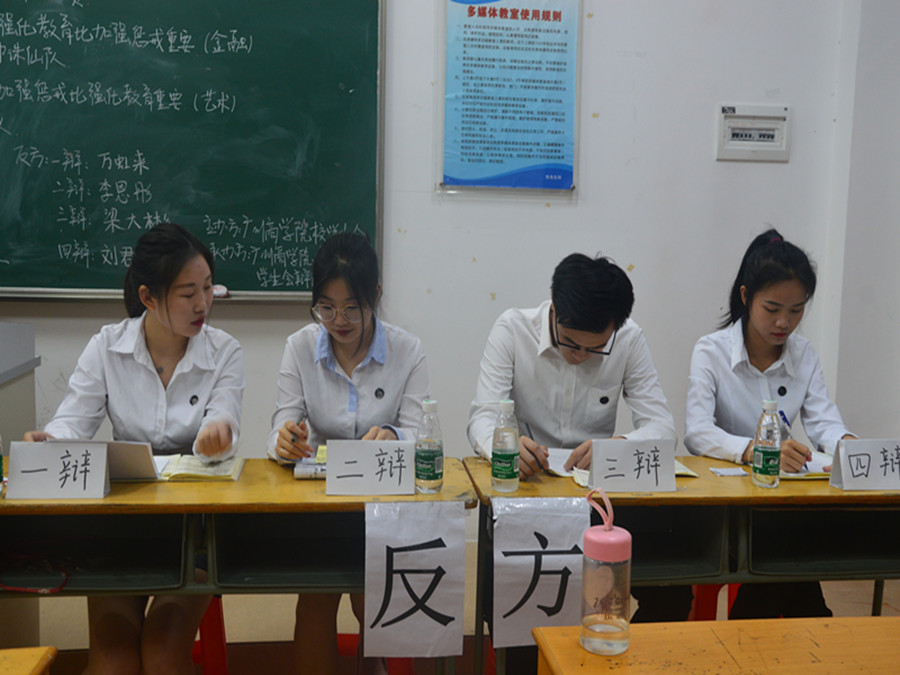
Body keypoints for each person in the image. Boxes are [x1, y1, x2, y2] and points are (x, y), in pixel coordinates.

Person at [24, 222, 244, 674]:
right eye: (187, 293)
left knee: (162, 652)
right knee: (114, 659)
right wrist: (51, 441)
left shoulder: (224, 351)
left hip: (196, 528)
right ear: (148, 297)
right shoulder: (107, 347)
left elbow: (224, 415)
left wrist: (218, 432)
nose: (202, 304)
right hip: (124, 523)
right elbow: (72, 421)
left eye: (208, 288)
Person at [467, 253, 689, 672]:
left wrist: (618, 445)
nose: (580, 355)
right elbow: (482, 417)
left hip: (598, 501)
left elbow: (662, 428)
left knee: (674, 588)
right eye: (570, 342)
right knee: (511, 596)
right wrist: (505, 448)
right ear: (553, 307)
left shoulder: (628, 339)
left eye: (595, 348)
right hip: (530, 498)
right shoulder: (512, 329)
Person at [267, 231, 429, 675]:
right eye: (326, 307)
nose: (338, 321)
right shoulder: (300, 346)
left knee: (373, 597)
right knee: (315, 601)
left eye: (352, 307)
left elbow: (422, 436)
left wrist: (394, 437)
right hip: (320, 502)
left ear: (375, 294)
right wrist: (284, 440)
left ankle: (375, 662)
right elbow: (280, 423)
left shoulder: (408, 351)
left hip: (385, 503)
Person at [684, 228, 855, 618]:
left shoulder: (804, 353)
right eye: (772, 308)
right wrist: (758, 450)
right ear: (746, 297)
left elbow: (824, 421)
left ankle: (758, 628)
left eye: (796, 310)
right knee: (792, 561)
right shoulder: (711, 351)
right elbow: (697, 432)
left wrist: (849, 446)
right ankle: (796, 626)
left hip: (781, 500)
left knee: (793, 550)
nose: (784, 322)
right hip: (725, 505)